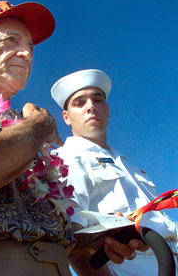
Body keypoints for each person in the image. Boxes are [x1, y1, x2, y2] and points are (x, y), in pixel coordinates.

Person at [0, 1, 147, 276]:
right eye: (11, 40)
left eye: (31, 47)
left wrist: (91, 244)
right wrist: (41, 123)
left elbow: (48, 229)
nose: (26, 53)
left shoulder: (26, 131)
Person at [51, 69, 178, 275]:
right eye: (80, 102)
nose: (91, 106)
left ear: (108, 110)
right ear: (66, 117)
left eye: (97, 100)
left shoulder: (129, 164)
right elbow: (74, 242)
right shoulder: (66, 159)